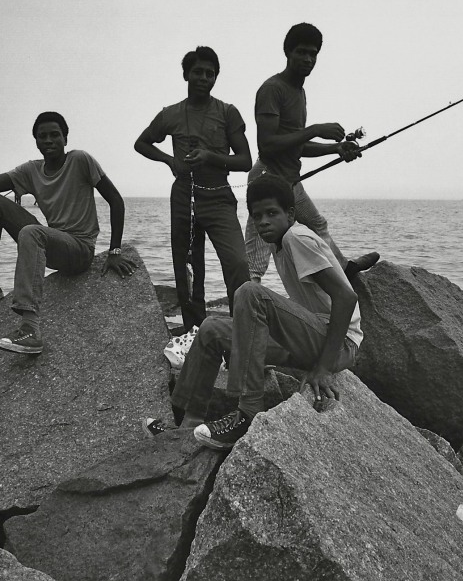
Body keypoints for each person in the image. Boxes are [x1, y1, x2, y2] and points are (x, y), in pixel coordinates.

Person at [147, 173, 363, 449]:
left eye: (272, 213)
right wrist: (257, 344)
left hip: (339, 344)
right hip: (313, 337)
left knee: (250, 292)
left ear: (291, 213)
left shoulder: (297, 238)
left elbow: (346, 297)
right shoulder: (280, 243)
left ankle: (247, 412)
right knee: (212, 329)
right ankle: (188, 425)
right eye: (256, 215)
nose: (263, 222)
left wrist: (322, 369)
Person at [0, 111, 136, 356]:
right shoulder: (31, 170)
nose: (49, 140)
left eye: (55, 135)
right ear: (36, 142)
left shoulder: (81, 160)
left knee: (31, 232)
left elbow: (115, 200)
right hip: (51, 242)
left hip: (79, 249)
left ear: (65, 139)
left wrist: (115, 250)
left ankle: (31, 328)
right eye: (42, 137)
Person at [244, 22, 379, 283]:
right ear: (288, 53)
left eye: (313, 53)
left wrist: (336, 149)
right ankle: (247, 307)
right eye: (302, 52)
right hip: (267, 178)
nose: (308, 59)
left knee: (318, 227)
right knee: (258, 254)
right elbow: (268, 144)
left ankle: (344, 270)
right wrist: (316, 129)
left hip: (290, 181)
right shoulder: (272, 89)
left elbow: (296, 145)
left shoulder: (300, 92)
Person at [134, 45, 252, 329]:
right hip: (184, 196)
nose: (204, 78)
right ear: (186, 74)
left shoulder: (227, 112)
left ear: (215, 79)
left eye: (210, 74)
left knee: (237, 263)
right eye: (198, 72)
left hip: (218, 197)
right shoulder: (171, 114)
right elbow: (141, 143)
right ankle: (193, 331)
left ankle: (243, 328)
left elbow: (246, 161)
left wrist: (210, 156)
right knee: (187, 266)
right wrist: (169, 161)